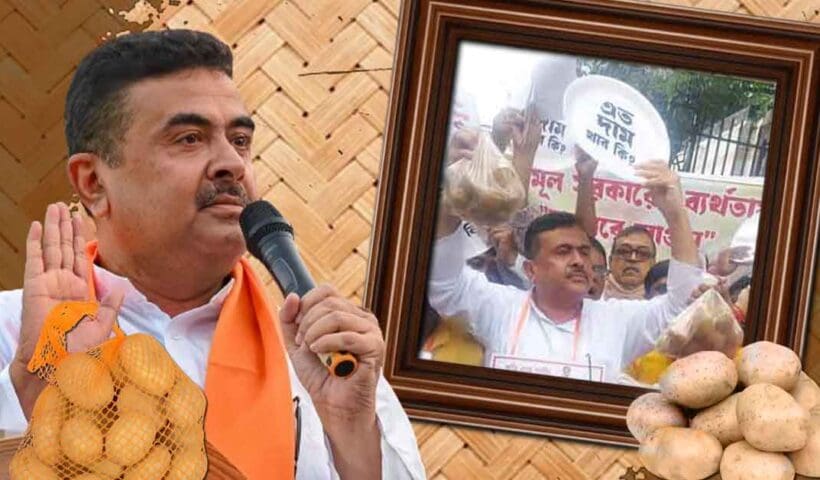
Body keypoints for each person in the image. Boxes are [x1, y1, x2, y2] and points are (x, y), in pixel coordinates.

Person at [0, 30, 424, 480]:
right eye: (188, 138)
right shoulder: (14, 335)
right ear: (93, 182)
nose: (232, 164)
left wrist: (352, 434)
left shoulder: (325, 359)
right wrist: (34, 401)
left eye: (240, 140)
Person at [428, 156, 704, 384]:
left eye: (584, 252)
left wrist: (675, 211)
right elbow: (443, 283)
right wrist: (453, 196)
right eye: (563, 251)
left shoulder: (616, 319)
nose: (578, 260)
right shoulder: (498, 305)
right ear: (531, 270)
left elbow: (681, 308)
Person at [604, 226, 657, 300]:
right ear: (610, 261)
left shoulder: (663, 302)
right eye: (624, 251)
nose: (633, 259)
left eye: (642, 253)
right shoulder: (591, 294)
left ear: (653, 264)